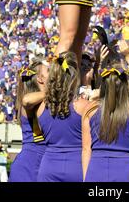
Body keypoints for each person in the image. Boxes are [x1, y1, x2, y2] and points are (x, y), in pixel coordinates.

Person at [82, 64, 129, 182]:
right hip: (126, 169)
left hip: (96, 168)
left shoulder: (90, 109)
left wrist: (86, 178)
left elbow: (86, 149)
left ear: (103, 85)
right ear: (125, 85)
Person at [34, 52, 88, 182]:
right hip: (77, 167)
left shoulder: (40, 107)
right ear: (74, 77)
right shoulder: (84, 106)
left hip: (48, 167)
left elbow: (39, 135)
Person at [9, 58, 49, 182]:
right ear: (40, 78)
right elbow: (27, 100)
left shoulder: (42, 101)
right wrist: (56, 92)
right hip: (29, 165)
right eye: (49, 71)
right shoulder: (30, 103)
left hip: (40, 162)